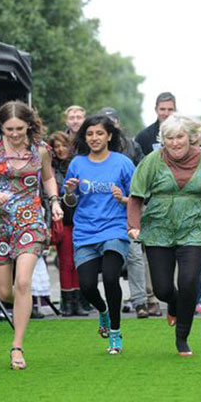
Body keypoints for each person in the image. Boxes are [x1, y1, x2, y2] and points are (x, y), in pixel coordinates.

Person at [128, 114, 201, 356]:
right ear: (163, 140)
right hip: (158, 228)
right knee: (162, 289)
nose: (175, 142)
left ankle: (182, 337)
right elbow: (136, 195)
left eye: (180, 137)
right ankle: (172, 303)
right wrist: (133, 225)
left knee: (189, 281)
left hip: (193, 227)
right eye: (169, 138)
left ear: (189, 138)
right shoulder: (152, 160)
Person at [0, 100, 62, 370]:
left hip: (29, 220)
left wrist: (54, 201)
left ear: (29, 125)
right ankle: (24, 301)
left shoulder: (41, 149)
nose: (14, 133)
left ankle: (17, 347)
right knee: (4, 290)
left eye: (19, 128)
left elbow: (47, 178)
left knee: (23, 282)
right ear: (1, 126)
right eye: (9, 128)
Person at [63, 115, 134, 354]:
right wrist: (70, 193)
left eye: (100, 133)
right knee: (87, 286)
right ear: (85, 137)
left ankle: (115, 333)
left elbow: (136, 199)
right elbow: (70, 201)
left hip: (114, 228)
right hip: (85, 231)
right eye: (90, 134)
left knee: (112, 278)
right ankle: (103, 311)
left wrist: (122, 199)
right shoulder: (77, 164)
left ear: (109, 136)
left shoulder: (123, 163)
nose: (94, 138)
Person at [95, 107, 149, 318]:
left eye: (111, 122)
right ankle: (112, 303)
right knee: (110, 259)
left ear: (116, 125)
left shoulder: (132, 147)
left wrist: (132, 199)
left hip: (127, 210)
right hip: (100, 215)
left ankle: (140, 302)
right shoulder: (92, 148)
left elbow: (142, 174)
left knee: (135, 255)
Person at [46, 131, 88, 316]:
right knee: (65, 262)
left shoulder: (78, 165)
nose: (61, 149)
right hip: (61, 220)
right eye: (57, 147)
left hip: (79, 218)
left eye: (64, 145)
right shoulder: (49, 169)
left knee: (79, 261)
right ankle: (67, 303)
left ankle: (78, 302)